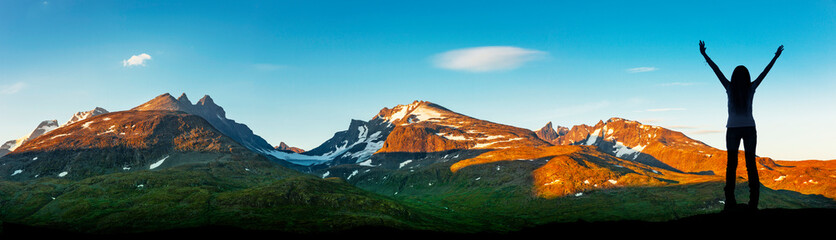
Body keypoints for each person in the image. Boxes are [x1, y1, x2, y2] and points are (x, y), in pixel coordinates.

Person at [699, 40, 783, 212]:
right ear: (747, 77)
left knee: (732, 165)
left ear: (733, 77)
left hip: (732, 130)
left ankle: (730, 203)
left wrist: (704, 54)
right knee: (750, 164)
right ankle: (753, 204)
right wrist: (775, 57)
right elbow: (764, 73)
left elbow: (716, 70)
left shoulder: (729, 87)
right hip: (750, 129)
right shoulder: (751, 88)